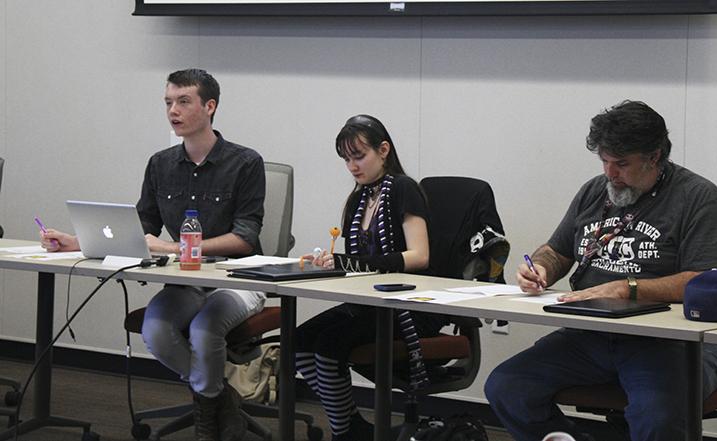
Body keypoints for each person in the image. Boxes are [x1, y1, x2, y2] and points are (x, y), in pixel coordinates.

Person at [484, 100, 717, 441]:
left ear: (655, 157)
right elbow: (556, 251)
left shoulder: (698, 198)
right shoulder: (594, 192)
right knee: (506, 387)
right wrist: (540, 268)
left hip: (668, 342)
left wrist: (627, 288)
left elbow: (705, 281)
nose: (610, 173)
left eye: (621, 163)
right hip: (593, 335)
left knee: (657, 417)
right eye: (604, 161)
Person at [40, 68, 266, 441]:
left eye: (183, 101)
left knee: (205, 327)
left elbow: (244, 238)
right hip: (186, 281)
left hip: (237, 279)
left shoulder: (245, 162)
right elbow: (138, 228)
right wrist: (75, 242)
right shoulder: (160, 164)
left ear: (210, 107)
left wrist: (174, 247)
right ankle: (220, 399)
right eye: (167, 102)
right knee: (156, 329)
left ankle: (208, 427)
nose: (172, 111)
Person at [295, 114, 446, 441]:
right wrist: (331, 263)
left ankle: (344, 433)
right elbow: (357, 264)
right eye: (346, 159)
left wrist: (357, 263)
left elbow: (420, 256)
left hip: (410, 304)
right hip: (371, 301)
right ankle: (351, 426)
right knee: (300, 344)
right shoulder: (359, 198)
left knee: (327, 347)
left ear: (384, 150)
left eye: (359, 156)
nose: (352, 166)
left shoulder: (404, 188)